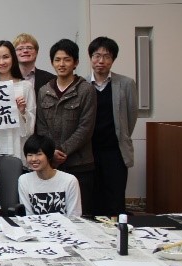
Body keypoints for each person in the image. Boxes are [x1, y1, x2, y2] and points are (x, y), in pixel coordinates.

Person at [36, 39, 97, 215]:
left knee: (80, 214)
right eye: (57, 60)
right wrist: (52, 151)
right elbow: (41, 125)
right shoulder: (44, 90)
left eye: (67, 59)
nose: (61, 64)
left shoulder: (86, 90)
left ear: (75, 62)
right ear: (52, 63)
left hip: (79, 163)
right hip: (52, 164)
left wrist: (62, 150)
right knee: (53, 213)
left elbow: (85, 128)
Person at [88, 37, 138, 216]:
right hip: (89, 151)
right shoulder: (82, 84)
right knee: (93, 198)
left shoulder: (126, 84)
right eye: (97, 56)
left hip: (115, 151)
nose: (101, 61)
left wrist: (121, 136)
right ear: (91, 58)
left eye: (106, 56)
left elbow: (131, 116)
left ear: (113, 59)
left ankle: (117, 231)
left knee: (115, 198)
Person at [18, 134, 82, 216]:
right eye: (30, 155)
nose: (33, 159)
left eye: (39, 154)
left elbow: (75, 215)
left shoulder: (70, 181)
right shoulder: (24, 180)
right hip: (35, 224)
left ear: (49, 156)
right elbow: (28, 215)